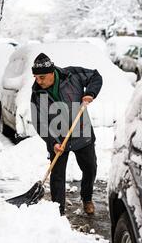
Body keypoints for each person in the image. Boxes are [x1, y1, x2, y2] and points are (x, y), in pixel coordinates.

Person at [30, 53, 103, 216]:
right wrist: (52, 142)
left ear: (51, 73)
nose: (38, 81)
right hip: (58, 139)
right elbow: (39, 123)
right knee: (57, 177)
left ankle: (87, 198)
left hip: (82, 133)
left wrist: (90, 93)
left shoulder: (72, 75)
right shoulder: (36, 93)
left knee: (90, 168)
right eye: (36, 77)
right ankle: (58, 211)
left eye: (42, 77)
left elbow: (95, 76)